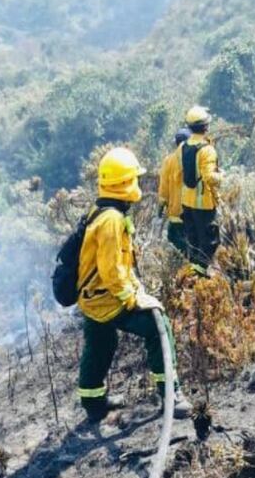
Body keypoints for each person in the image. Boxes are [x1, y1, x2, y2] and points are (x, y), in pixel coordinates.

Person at [76, 146, 192, 423]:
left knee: (100, 343)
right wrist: (133, 300)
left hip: (91, 298)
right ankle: (170, 396)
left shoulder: (99, 210)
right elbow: (111, 270)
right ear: (125, 183)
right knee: (157, 327)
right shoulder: (112, 220)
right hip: (107, 298)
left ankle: (93, 403)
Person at [179, 106, 223, 274]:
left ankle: (193, 273)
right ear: (206, 126)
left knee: (194, 240)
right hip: (203, 203)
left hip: (187, 201)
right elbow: (209, 177)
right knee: (209, 241)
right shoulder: (207, 149)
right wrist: (222, 176)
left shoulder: (184, 146)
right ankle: (200, 275)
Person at [157, 127, 191, 254]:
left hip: (176, 214)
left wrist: (160, 208)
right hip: (194, 214)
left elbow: (164, 188)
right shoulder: (197, 158)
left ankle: (181, 269)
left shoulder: (169, 160)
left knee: (174, 241)